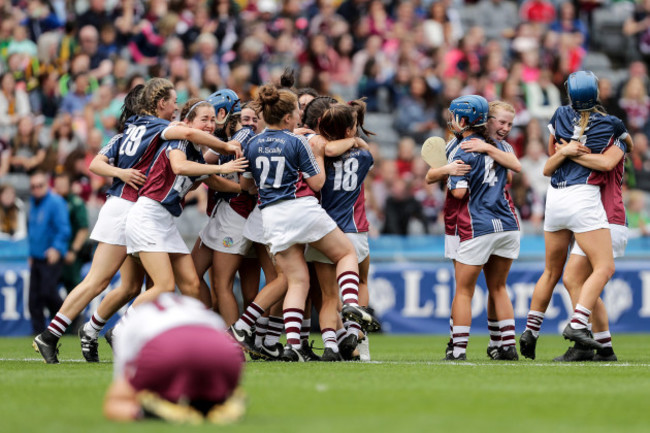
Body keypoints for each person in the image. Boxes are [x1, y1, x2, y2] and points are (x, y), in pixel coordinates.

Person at [33, 78, 240, 364]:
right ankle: (55, 334)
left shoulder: (130, 129)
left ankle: (93, 331)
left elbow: (97, 163)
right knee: (101, 280)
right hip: (131, 205)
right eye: (173, 102)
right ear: (160, 104)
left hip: (134, 206)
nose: (176, 107)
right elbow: (186, 141)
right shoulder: (161, 128)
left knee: (132, 286)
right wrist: (227, 149)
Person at [239, 84, 378, 362]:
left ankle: (289, 344)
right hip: (304, 212)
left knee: (295, 282)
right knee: (345, 256)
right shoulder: (301, 142)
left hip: (271, 216)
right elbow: (317, 182)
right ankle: (350, 311)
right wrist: (348, 144)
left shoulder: (251, 143)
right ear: (290, 117)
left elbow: (246, 185)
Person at [519, 71, 629, 359]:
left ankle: (536, 330)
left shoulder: (559, 116)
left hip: (556, 197)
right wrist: (575, 151)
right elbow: (610, 158)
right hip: (592, 205)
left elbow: (547, 164)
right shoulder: (613, 125)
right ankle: (582, 330)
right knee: (595, 273)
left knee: (564, 276)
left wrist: (567, 151)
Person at [426, 100, 522, 360]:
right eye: (501, 122)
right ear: (486, 120)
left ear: (465, 120)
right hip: (507, 223)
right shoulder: (503, 147)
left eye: (509, 123)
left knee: (464, 290)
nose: (505, 128)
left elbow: (458, 192)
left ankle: (457, 350)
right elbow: (511, 175)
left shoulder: (462, 148)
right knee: (499, 287)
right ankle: (506, 345)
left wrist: (452, 174)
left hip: (473, 223)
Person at [103, 293, 245, 424]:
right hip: (224, 352)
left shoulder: (136, 319)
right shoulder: (198, 308)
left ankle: (152, 413)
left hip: (168, 349)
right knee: (200, 382)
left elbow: (123, 383)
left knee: (117, 401)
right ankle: (221, 402)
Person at [27, 170, 71, 335]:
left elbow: (64, 229)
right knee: (33, 300)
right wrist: (31, 253)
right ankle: (37, 333)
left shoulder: (55, 202)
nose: (36, 189)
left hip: (50, 256)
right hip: (37, 257)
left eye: (39, 185)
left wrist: (57, 248)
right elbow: (33, 230)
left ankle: (67, 321)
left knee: (48, 293)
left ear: (46, 185)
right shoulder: (33, 202)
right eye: (33, 186)